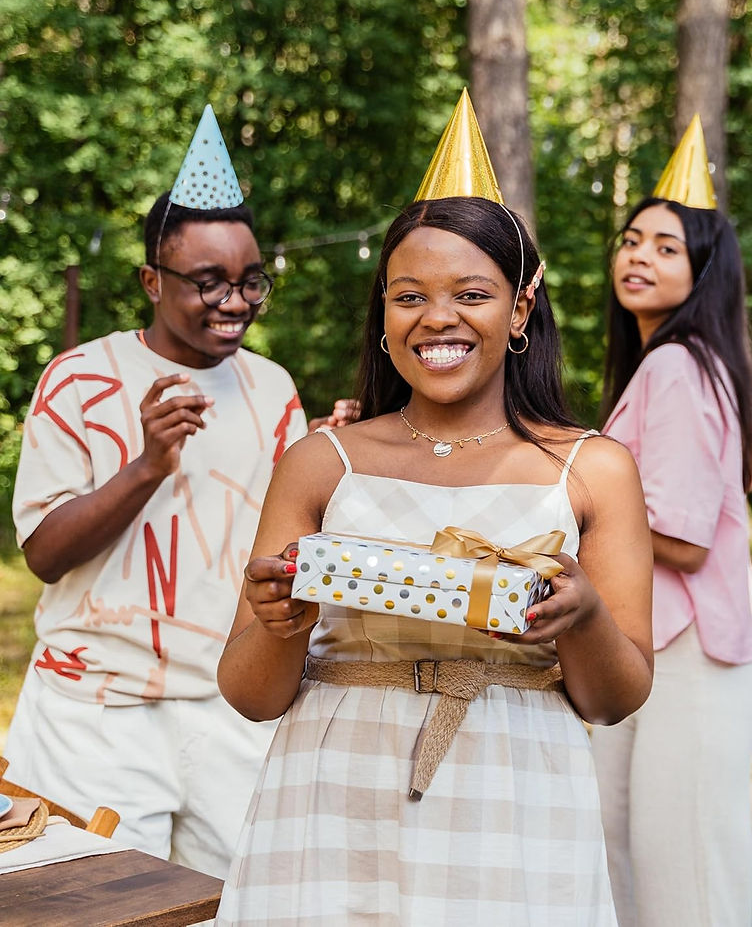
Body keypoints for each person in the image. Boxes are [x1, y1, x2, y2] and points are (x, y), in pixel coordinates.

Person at [214, 89, 654, 924]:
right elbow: (251, 694)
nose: (438, 318)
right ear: (382, 314)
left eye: (472, 294)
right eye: (409, 295)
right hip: (334, 790)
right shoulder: (322, 460)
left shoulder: (594, 469)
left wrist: (586, 613)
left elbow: (614, 699)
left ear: (520, 308)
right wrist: (281, 624)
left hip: (516, 791)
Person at [3, 105, 308, 877]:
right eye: (208, 282)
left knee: (239, 902)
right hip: (93, 711)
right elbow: (42, 554)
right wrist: (147, 465)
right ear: (152, 280)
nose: (233, 301)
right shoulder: (80, 381)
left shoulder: (272, 389)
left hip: (226, 707)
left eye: (249, 282)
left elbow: (292, 542)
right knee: (89, 903)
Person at [589, 116, 752, 927]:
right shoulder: (664, 365)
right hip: (653, 648)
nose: (638, 256)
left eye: (666, 247)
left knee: (687, 883)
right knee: (627, 871)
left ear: (702, 270)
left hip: (693, 658)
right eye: (632, 240)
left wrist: (570, 512)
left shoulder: (679, 366)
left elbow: (686, 541)